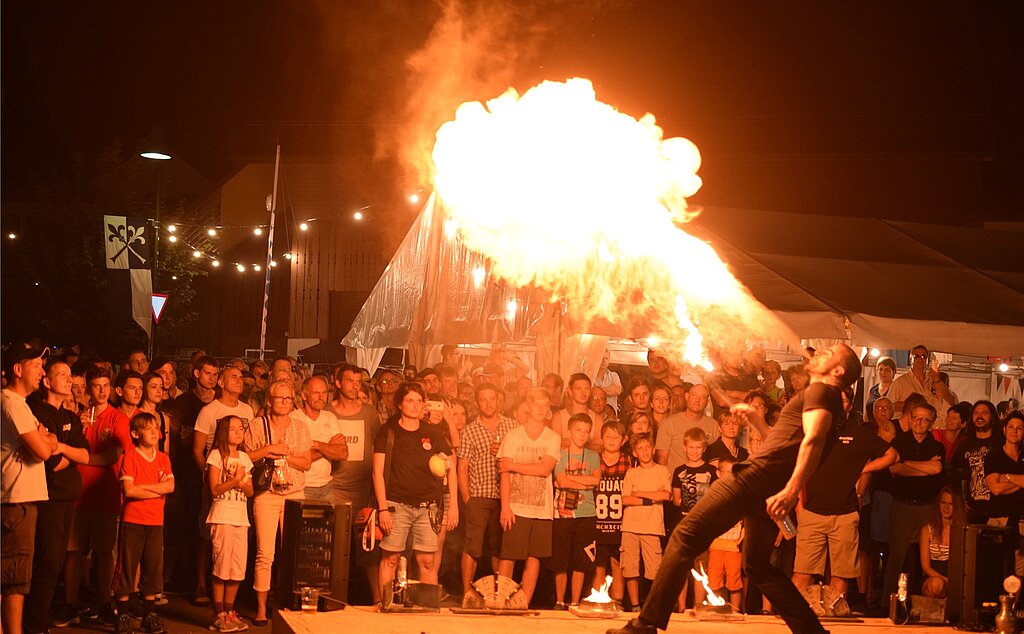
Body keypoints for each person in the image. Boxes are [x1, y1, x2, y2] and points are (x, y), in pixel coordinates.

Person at [608, 343, 862, 634]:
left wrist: (792, 491)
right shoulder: (821, 395)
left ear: (838, 370)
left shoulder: (822, 392)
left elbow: (813, 440)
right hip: (767, 484)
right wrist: (757, 422)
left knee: (684, 537)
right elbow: (784, 445)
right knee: (758, 566)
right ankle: (811, 631)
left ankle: (646, 623)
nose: (821, 353)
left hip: (755, 479)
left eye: (831, 354)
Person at [373, 382, 458, 600]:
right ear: (400, 403)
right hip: (396, 505)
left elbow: (452, 467)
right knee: (390, 558)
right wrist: (383, 509)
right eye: (410, 400)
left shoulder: (432, 432)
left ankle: (428, 610)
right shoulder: (388, 431)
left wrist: (453, 506)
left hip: (427, 507)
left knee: (427, 561)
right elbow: (377, 473)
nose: (414, 405)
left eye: (419, 401)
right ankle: (386, 604)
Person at [24, 360, 91, 634]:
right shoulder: (36, 412)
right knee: (47, 563)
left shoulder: (71, 417)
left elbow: (85, 455)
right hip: (47, 499)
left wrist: (61, 447)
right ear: (47, 382)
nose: (68, 379)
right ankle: (34, 624)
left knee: (57, 563)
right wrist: (67, 454)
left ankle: (39, 620)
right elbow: (50, 460)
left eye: (69, 374)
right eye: (61, 374)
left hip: (67, 500)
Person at [67, 366, 133, 623]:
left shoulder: (118, 419)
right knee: (73, 551)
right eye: (96, 386)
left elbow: (113, 455)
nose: (102, 390)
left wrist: (81, 457)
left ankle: (104, 602)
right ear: (88, 388)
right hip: (78, 494)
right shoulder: (78, 416)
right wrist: (77, 432)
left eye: (106, 385)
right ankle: (70, 603)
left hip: (105, 494)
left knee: (104, 553)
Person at [243, 380, 311, 625]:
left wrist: (283, 455)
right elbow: (246, 457)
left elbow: (306, 463)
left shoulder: (300, 428)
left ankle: (290, 604)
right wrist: (269, 449)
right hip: (267, 495)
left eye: (288, 398)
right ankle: (261, 608)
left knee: (294, 552)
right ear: (269, 401)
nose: (284, 402)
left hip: (294, 493)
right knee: (265, 552)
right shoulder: (256, 425)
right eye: (280, 398)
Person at [2, 343, 58, 634]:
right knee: (14, 577)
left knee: (11, 575)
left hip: (18, 499)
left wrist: (42, 439)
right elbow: (45, 450)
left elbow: (49, 440)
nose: (42, 371)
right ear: (17, 368)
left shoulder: (19, 404)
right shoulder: (12, 402)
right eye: (36, 365)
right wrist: (41, 440)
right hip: (16, 500)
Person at [497, 388, 561, 606]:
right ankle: (500, 600)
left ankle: (522, 603)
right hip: (515, 507)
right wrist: (505, 507)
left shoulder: (553, 437)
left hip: (542, 509)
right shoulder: (513, 436)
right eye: (537, 404)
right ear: (528, 406)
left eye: (545, 404)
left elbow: (545, 469)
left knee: (535, 557)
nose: (541, 408)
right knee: (509, 555)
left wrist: (514, 464)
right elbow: (504, 474)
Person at [115, 412, 173, 634]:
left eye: (155, 427)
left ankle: (149, 614)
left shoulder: (163, 459)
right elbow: (129, 490)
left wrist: (144, 487)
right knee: (127, 568)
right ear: (135, 433)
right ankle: (122, 615)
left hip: (155, 521)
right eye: (148, 428)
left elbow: (170, 487)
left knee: (153, 567)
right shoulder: (130, 457)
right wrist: (156, 488)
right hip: (133, 520)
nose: (153, 432)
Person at [456, 383, 517, 595]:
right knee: (472, 547)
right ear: (477, 402)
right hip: (479, 496)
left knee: (500, 548)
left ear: (499, 400)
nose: (488, 403)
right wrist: (467, 499)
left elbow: (520, 458)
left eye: (492, 398)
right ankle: (466, 593)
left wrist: (504, 451)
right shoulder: (470, 430)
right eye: (483, 399)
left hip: (505, 498)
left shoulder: (512, 426)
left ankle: (498, 595)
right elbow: (462, 467)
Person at [330, 364, 383, 604]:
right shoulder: (328, 413)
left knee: (368, 548)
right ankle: (331, 598)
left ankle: (378, 600)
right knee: (334, 547)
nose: (354, 385)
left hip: (363, 490)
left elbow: (378, 449)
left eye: (358, 381)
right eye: (349, 380)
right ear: (338, 382)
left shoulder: (370, 413)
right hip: (334, 488)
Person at [882, 403, 945, 603]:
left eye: (925, 419)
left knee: (923, 560)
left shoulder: (936, 446)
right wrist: (925, 467)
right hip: (903, 506)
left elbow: (937, 470)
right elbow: (893, 470)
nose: (919, 422)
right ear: (910, 417)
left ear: (931, 423)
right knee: (896, 558)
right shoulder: (899, 442)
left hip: (928, 507)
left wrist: (906, 462)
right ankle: (888, 604)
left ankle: (919, 603)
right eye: (916, 417)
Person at [205, 416, 254, 633]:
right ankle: (218, 612)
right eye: (232, 429)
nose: (237, 432)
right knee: (221, 565)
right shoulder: (216, 455)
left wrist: (241, 481)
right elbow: (214, 489)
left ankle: (230, 610)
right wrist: (235, 480)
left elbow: (250, 490)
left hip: (240, 518)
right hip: (222, 516)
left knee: (237, 568)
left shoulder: (244, 457)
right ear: (223, 432)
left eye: (240, 428)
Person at [550, 414, 601, 609]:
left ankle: (574, 601)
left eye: (587, 431)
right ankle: (559, 601)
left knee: (581, 561)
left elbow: (595, 481)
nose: (582, 434)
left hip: (587, 514)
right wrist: (584, 482)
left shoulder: (593, 456)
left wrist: (570, 481)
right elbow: (560, 481)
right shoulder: (560, 455)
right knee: (561, 560)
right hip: (563, 513)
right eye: (579, 430)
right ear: (569, 431)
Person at [620, 433, 671, 611]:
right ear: (635, 453)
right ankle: (635, 605)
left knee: (654, 571)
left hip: (652, 528)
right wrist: (651, 498)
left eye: (648, 447)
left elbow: (665, 495)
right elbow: (625, 499)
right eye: (640, 448)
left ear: (654, 450)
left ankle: (651, 605)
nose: (645, 451)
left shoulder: (662, 470)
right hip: (630, 527)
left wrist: (639, 493)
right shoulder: (631, 472)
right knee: (630, 569)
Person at [669, 427, 715, 611]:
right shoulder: (679, 471)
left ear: (703, 448)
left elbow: (714, 498)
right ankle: (681, 608)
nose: (694, 451)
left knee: (701, 568)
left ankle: (698, 605)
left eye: (698, 447)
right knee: (682, 568)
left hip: (704, 524)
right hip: (684, 523)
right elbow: (676, 500)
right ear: (684, 447)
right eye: (691, 447)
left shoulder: (712, 471)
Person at [290, 376, 346, 502]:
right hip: (302, 487)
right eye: (316, 393)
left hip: (326, 486)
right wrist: (330, 446)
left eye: (324, 393)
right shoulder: (294, 419)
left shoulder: (330, 418)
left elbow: (343, 453)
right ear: (304, 395)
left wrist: (318, 445)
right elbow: (300, 459)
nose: (321, 397)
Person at [982, 410, 1024, 577]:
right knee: (996, 568)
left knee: (1020, 570)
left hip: (1021, 521)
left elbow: (1001, 484)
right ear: (1005, 430)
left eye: (1020, 428)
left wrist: (1006, 477)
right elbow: (996, 489)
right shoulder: (994, 456)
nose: (1015, 431)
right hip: (999, 519)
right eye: (1011, 427)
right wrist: (1020, 481)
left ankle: (1014, 603)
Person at [593, 421, 630, 604]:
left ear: (624, 440)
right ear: (601, 439)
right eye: (608, 436)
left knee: (618, 564)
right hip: (598, 522)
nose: (612, 440)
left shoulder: (629, 461)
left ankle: (619, 602)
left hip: (621, 523)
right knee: (598, 564)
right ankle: (599, 600)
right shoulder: (594, 460)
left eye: (616, 437)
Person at [950, 400, 1002, 523]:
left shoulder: (1002, 444)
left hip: (998, 509)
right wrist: (961, 501)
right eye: (976, 413)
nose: (979, 416)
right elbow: (955, 476)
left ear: (993, 417)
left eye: (984, 412)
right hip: (971, 509)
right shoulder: (964, 445)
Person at [655, 383, 717, 474]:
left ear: (707, 402)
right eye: (694, 395)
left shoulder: (714, 425)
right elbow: (662, 460)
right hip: (675, 483)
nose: (697, 400)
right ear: (687, 397)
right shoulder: (669, 424)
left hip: (703, 484)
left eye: (703, 397)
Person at [706, 457, 743, 610]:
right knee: (714, 581)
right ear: (718, 473)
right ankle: (715, 610)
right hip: (716, 544)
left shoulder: (741, 493)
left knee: (734, 582)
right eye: (725, 471)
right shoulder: (713, 492)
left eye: (732, 472)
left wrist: (742, 538)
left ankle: (736, 611)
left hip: (733, 546)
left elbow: (746, 518)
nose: (728, 475)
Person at [919, 486, 965, 599]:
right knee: (936, 584)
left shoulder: (962, 530)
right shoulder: (927, 530)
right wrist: (946, 580)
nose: (946, 507)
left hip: (955, 577)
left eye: (950, 504)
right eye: (943, 503)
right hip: (933, 577)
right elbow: (926, 568)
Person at [887, 345, 955, 417]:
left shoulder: (933, 380)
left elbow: (951, 401)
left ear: (927, 360)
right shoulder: (900, 382)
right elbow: (889, 406)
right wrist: (911, 404)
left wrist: (937, 380)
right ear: (911, 359)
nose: (920, 359)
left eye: (923, 356)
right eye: (916, 356)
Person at [550, 373, 603, 450]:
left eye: (586, 389)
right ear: (570, 392)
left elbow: (599, 447)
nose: (583, 393)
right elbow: (554, 444)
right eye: (579, 389)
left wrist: (568, 442)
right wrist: (588, 442)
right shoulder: (559, 417)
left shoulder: (597, 419)